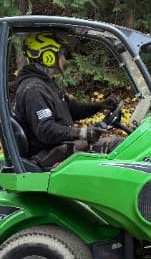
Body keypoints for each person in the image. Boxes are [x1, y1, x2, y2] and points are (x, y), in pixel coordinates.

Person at [12, 32, 118, 167]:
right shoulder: (34, 89)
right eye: (61, 54)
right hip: (46, 155)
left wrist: (100, 106)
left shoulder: (45, 84)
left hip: (57, 148)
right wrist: (82, 133)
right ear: (48, 56)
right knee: (115, 146)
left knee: (113, 145)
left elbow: (72, 109)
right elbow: (46, 130)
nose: (64, 59)